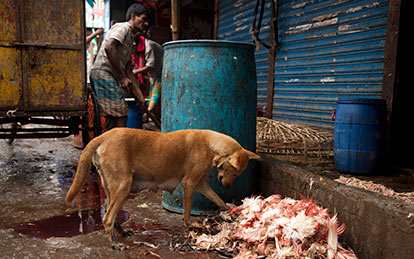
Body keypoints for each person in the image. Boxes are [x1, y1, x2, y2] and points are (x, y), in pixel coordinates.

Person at [90, 3, 148, 130]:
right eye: (143, 19)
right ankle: (119, 147)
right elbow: (109, 47)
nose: (145, 23)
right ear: (133, 16)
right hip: (103, 72)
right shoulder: (123, 27)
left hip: (109, 74)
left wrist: (139, 95)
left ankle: (110, 145)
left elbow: (128, 70)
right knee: (121, 113)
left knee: (114, 115)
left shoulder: (131, 41)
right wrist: (122, 78)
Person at [132, 32, 164, 121]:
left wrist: (135, 72)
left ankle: (148, 114)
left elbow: (150, 65)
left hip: (162, 71)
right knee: (152, 95)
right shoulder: (138, 50)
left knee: (156, 95)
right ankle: (151, 116)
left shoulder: (148, 46)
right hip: (154, 74)